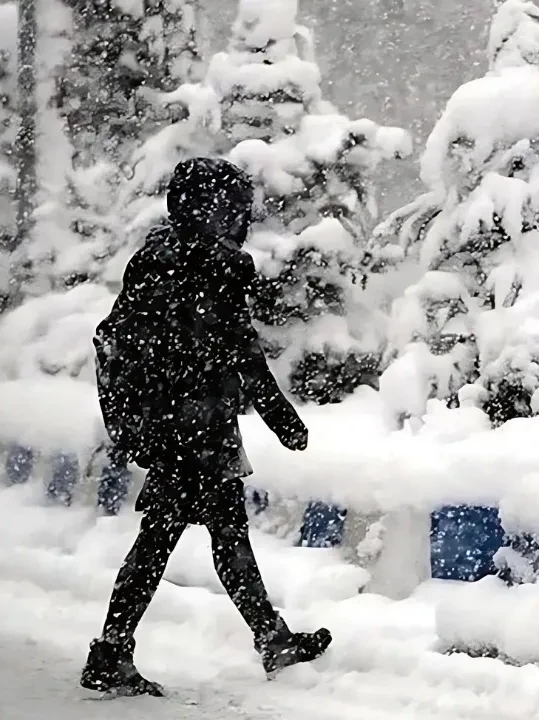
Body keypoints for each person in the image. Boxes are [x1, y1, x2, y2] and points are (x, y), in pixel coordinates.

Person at [82, 157, 332, 697]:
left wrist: (143, 420)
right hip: (188, 432)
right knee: (180, 539)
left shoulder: (174, 262)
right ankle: (113, 650)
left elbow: (221, 349)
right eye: (231, 209)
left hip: (190, 427)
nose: (239, 220)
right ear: (200, 210)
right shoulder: (196, 268)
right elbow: (237, 353)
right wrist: (281, 418)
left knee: (210, 535)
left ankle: (267, 638)